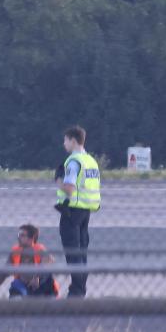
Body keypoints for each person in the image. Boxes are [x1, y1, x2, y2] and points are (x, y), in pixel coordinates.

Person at [55, 125, 100, 298]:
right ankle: (80, 289)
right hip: (85, 211)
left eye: (65, 140)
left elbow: (69, 188)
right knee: (81, 253)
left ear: (73, 141)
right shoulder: (91, 161)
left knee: (73, 253)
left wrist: (58, 179)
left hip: (71, 212)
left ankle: (77, 291)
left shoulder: (74, 161)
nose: (63, 144)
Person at [0, 224, 59, 298]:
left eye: (22, 235)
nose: (18, 238)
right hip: (23, 285)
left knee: (47, 281)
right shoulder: (15, 252)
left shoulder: (40, 249)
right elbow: (3, 273)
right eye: (19, 235)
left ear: (31, 238)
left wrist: (36, 277)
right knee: (15, 286)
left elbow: (48, 261)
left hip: (41, 285)